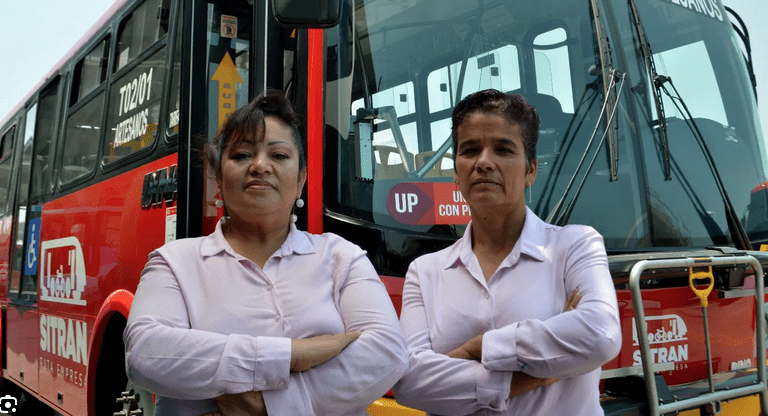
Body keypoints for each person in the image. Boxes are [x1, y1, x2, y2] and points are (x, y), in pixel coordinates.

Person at [123, 90, 408, 416]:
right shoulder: (173, 262)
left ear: (301, 180)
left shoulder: (342, 257)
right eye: (242, 155)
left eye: (279, 156)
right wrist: (294, 354)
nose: (260, 166)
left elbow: (387, 354)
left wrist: (269, 405)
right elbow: (146, 355)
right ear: (218, 177)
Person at [393, 89, 622, 415]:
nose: (484, 162)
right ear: (456, 173)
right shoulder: (425, 271)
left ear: (531, 170)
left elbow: (601, 335)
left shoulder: (575, 246)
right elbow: (408, 382)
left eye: (503, 149)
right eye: (470, 150)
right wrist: (542, 371)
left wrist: (479, 347)